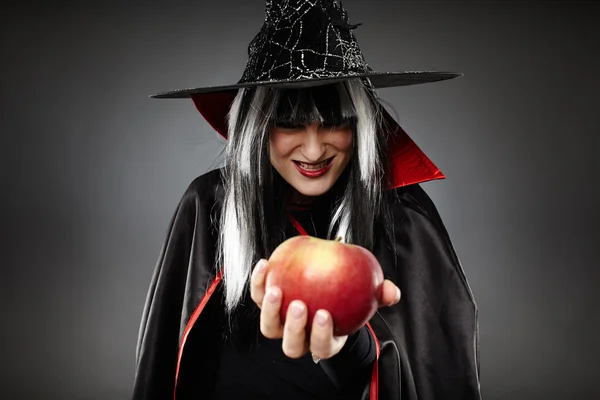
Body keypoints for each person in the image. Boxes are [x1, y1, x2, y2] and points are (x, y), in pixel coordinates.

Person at [132, 1, 482, 399]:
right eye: (290, 122)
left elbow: (423, 373)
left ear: (360, 123)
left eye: (334, 120)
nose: (314, 151)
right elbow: (168, 363)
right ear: (258, 125)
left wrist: (347, 343)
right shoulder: (209, 202)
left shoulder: (403, 218)